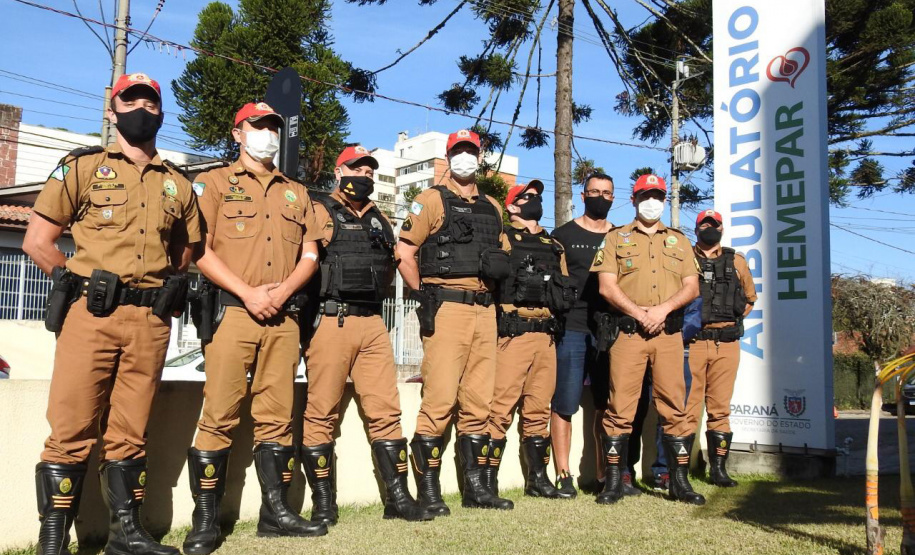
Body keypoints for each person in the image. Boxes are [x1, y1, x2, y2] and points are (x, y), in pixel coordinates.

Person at [23, 72, 201, 555]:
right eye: (131, 100)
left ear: (161, 113)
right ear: (113, 109)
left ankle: (128, 535)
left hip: (150, 323)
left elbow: (184, 252)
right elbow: (38, 241)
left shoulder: (178, 185)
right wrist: (75, 281)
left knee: (130, 431)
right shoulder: (81, 168)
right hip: (91, 316)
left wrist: (158, 285)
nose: (141, 108)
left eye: (149, 101)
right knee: (71, 427)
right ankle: (53, 539)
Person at [183, 101, 327, 550]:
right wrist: (248, 293)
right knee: (219, 416)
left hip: (283, 317)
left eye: (272, 127)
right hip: (232, 313)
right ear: (238, 133)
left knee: (277, 419)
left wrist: (281, 293)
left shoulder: (296, 192)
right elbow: (199, 250)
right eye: (257, 126)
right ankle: (205, 521)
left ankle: (275, 513)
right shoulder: (213, 183)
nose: (267, 133)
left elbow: (310, 254)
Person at [300, 145, 431, 524]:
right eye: (358, 168)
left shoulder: (379, 219)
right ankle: (325, 504)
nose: (366, 175)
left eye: (371, 171)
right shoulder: (320, 209)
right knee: (322, 414)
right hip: (331, 321)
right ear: (340, 172)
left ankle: (398, 498)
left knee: (386, 413)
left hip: (374, 323)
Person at [395, 129, 513, 512]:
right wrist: (421, 293)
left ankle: (475, 489)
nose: (465, 158)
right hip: (446, 308)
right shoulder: (430, 200)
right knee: (440, 399)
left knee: (479, 402)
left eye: (471, 151)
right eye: (458, 151)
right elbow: (405, 252)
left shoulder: (493, 206)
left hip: (485, 309)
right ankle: (428, 490)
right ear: (448, 158)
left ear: (479, 158)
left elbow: (503, 255)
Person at [589, 173, 704, 505]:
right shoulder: (615, 238)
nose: (651, 201)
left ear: (664, 201)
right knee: (619, 408)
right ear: (634, 199)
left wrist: (661, 311)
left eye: (657, 196)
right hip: (629, 334)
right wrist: (642, 315)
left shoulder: (680, 241)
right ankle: (614, 481)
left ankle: (678, 482)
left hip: (667, 334)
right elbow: (606, 286)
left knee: (675, 408)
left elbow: (691, 287)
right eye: (645, 196)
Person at [487, 180, 574, 500]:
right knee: (499, 409)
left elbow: (563, 288)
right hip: (513, 334)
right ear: (511, 206)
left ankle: (537, 480)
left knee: (539, 411)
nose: (534, 200)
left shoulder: (554, 245)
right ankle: (487, 482)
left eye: (537, 196)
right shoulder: (504, 238)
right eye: (526, 197)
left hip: (546, 337)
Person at [548, 173, 614, 498]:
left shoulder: (621, 236)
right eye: (594, 192)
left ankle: (604, 476)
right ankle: (564, 474)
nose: (600, 197)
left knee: (605, 405)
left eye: (606, 193)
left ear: (613, 198)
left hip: (607, 331)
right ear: (583, 194)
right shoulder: (563, 235)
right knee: (565, 404)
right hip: (571, 328)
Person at [686, 209, 756, 487]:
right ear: (696, 230)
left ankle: (718, 470)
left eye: (714, 225)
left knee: (720, 409)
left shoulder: (736, 260)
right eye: (704, 225)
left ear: (722, 229)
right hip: (693, 343)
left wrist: (729, 322)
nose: (709, 229)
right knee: (688, 408)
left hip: (726, 344)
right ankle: (683, 471)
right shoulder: (684, 258)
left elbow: (750, 299)